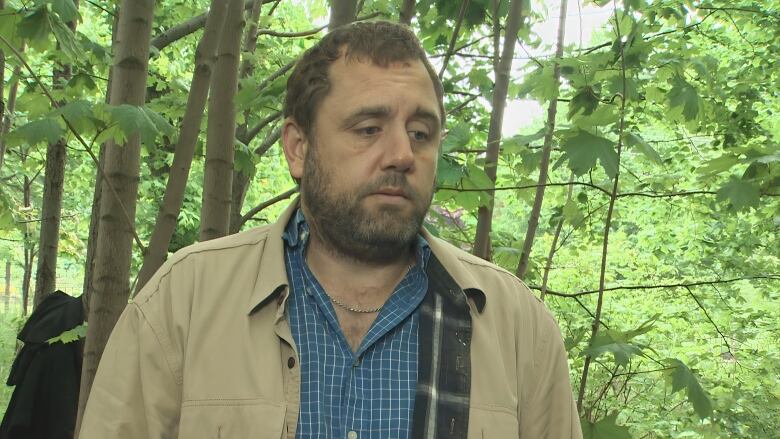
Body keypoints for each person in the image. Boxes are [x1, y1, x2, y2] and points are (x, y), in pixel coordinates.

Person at [79, 21, 582, 439]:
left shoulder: (518, 330)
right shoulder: (183, 303)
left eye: (421, 134)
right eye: (368, 129)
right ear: (298, 148)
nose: (403, 154)